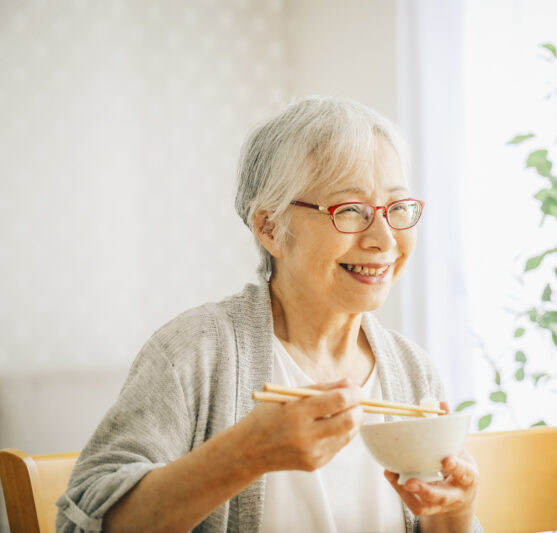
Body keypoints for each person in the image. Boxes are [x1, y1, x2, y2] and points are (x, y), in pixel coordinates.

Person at [56, 96, 481, 533]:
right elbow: (79, 526)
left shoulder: (413, 373)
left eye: (397, 208)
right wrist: (244, 455)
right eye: (350, 209)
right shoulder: (194, 353)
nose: (385, 239)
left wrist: (454, 512)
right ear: (270, 228)